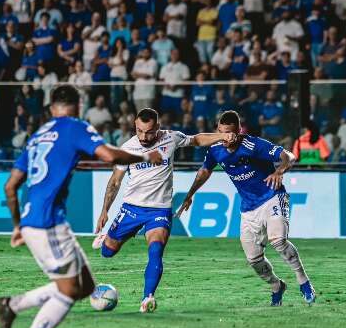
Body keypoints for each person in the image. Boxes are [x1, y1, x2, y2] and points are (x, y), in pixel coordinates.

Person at [0, 85, 164, 328]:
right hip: (46, 221)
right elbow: (109, 156)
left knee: (85, 285)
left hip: (39, 220)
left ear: (51, 108)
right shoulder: (73, 126)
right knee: (70, 290)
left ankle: (11, 305)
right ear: (79, 105)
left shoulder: (37, 136)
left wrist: (17, 225)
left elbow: (10, 186)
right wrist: (146, 156)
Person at [92, 108, 237, 313]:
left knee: (156, 251)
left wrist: (222, 136)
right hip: (132, 208)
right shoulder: (127, 148)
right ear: (135, 125)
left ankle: (147, 298)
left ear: (157, 128)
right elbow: (115, 182)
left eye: (149, 132)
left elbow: (197, 140)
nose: (143, 137)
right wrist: (104, 210)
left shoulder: (171, 138)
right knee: (107, 252)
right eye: (139, 131)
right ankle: (110, 236)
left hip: (159, 210)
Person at [177, 111, 316, 306]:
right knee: (254, 260)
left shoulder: (253, 145)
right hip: (248, 208)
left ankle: (303, 281)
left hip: (272, 197)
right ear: (218, 131)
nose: (227, 137)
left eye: (231, 133)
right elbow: (204, 171)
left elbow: (289, 156)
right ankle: (277, 286)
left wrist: (279, 171)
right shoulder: (216, 148)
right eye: (223, 132)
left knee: (278, 240)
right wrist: (190, 194)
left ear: (239, 131)